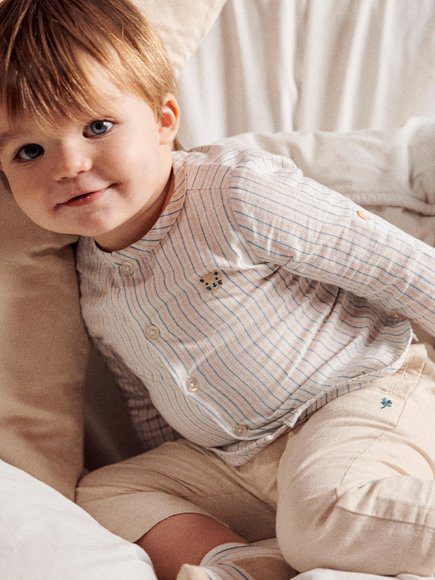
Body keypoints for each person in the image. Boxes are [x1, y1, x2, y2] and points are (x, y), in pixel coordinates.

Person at [0, 0, 434, 578]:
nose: (69, 164)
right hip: (237, 458)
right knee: (101, 496)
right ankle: (248, 565)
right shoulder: (93, 281)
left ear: (164, 121)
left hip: (360, 396)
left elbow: (401, 270)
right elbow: (146, 400)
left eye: (97, 127)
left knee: (322, 517)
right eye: (29, 151)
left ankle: (320, 534)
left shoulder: (233, 194)